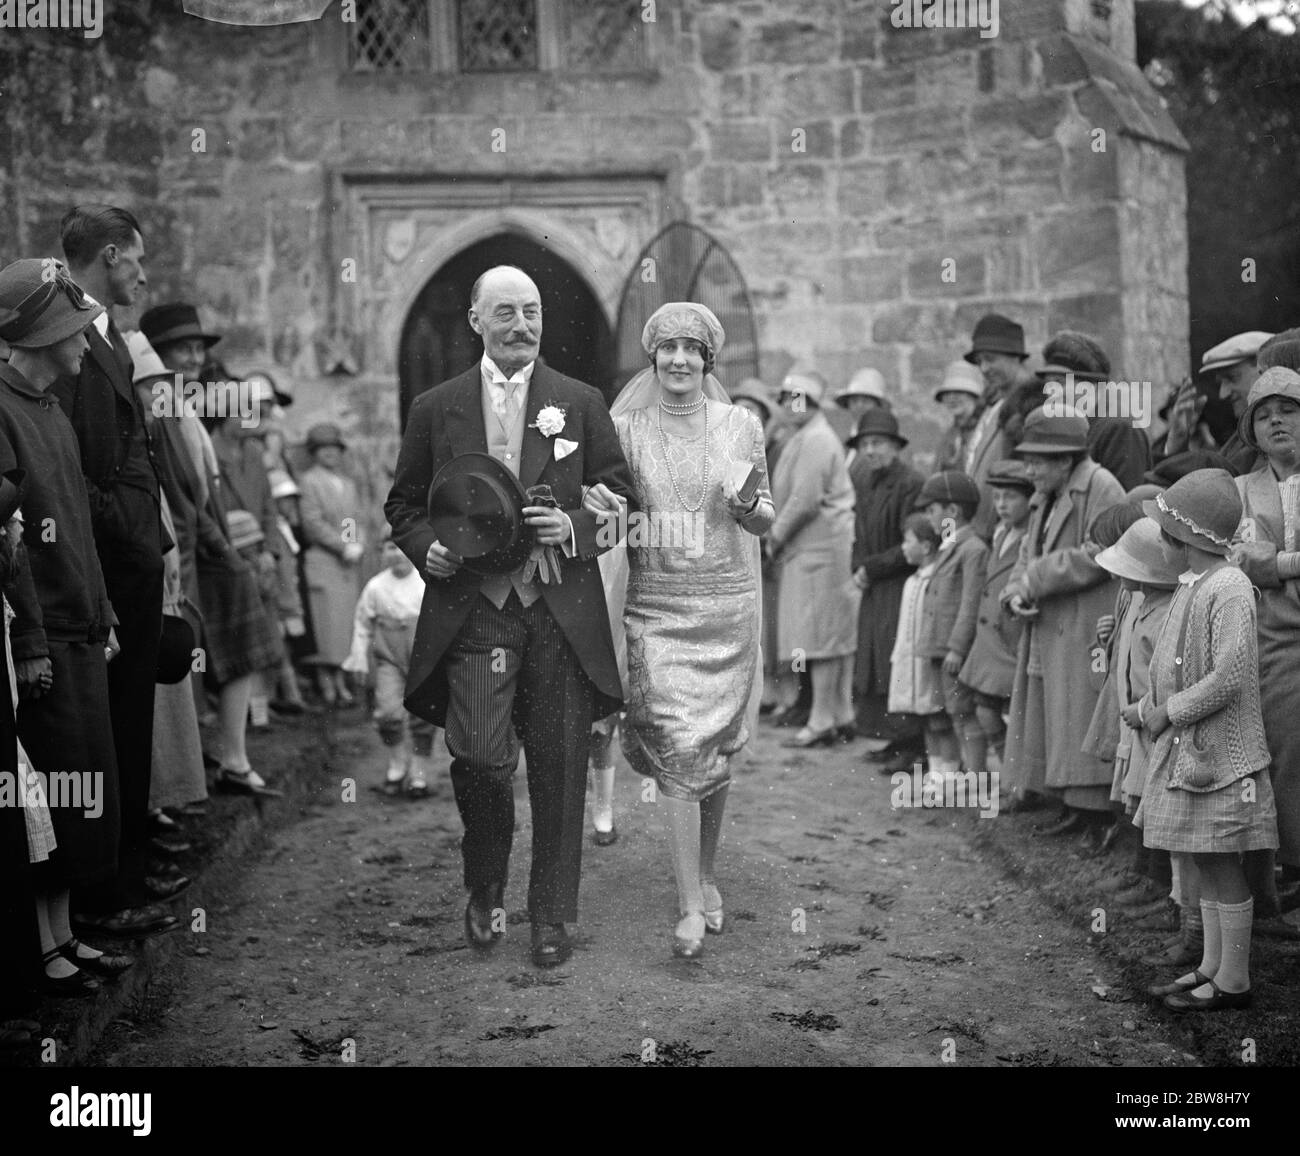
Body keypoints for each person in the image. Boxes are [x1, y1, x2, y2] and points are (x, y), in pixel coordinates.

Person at [385, 264, 637, 969]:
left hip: (557, 612)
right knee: (482, 761)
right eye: (505, 313)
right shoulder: (436, 407)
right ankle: (486, 884)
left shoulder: (579, 401)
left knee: (558, 768)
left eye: (531, 312)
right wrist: (426, 548)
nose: (521, 325)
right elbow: (402, 504)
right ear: (475, 321)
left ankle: (552, 917)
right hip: (477, 610)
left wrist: (577, 528)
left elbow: (620, 496)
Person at [0, 258, 181, 942]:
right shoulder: (5, 410)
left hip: (83, 631)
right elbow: (13, 548)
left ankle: (71, 939)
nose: (84, 342)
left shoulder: (53, 412)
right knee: (55, 797)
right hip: (47, 644)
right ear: (42, 338)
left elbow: (75, 524)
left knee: (90, 795)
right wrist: (32, 645)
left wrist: (102, 612)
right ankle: (52, 950)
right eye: (72, 332)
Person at [585, 302, 772, 958]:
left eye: (693, 348)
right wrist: (600, 504)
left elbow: (764, 517)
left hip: (727, 607)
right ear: (653, 357)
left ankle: (708, 876)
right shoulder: (624, 428)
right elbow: (608, 513)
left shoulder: (740, 425)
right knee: (679, 750)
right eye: (668, 348)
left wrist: (747, 505)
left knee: (715, 749)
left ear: (709, 360)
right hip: (658, 610)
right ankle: (690, 903)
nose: (680, 359)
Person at [53, 206, 173, 933]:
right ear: (105, 255)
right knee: (100, 725)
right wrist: (125, 527)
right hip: (102, 564)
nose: (142, 273)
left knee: (129, 718)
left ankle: (129, 860)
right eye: (134, 260)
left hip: (131, 557)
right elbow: (68, 461)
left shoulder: (112, 338)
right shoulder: (66, 335)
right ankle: (102, 889)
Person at [1125, 470, 1277, 1012]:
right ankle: (1212, 967)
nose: (1163, 543)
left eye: (1169, 534)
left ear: (1191, 539)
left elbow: (1230, 675)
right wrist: (1147, 708)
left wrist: (1169, 712)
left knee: (1222, 863)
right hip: (1197, 755)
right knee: (1206, 857)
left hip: (1226, 758)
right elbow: (1173, 669)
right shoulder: (1195, 585)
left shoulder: (1230, 588)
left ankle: (1234, 980)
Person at [1000, 407, 1126, 826]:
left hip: (1083, 622)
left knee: (1077, 712)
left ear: (1065, 459)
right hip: (1050, 622)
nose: (1029, 470)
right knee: (1052, 711)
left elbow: (1102, 552)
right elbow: (1025, 554)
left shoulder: (1101, 486)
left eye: (1036, 461)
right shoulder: (1045, 495)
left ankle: (1091, 813)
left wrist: (1035, 578)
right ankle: (1066, 802)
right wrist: (1016, 590)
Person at [1230, 367, 1300, 922]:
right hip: (1271, 640)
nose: (1276, 419)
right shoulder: (1240, 491)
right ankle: (1287, 876)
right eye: (1263, 412)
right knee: (1281, 756)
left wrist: (1273, 563)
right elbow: (1238, 560)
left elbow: (1260, 562)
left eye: (1290, 408)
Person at [767, 371, 858, 749]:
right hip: (812, 551)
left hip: (819, 551)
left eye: (800, 397)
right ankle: (837, 714)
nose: (792, 404)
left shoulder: (817, 439)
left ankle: (824, 717)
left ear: (815, 403)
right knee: (821, 636)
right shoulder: (804, 437)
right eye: (787, 397)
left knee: (819, 638)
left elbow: (804, 500)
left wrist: (773, 536)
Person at [849, 408, 925, 767]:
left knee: (898, 658)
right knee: (875, 659)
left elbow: (909, 543)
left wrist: (872, 568)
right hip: (875, 584)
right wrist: (858, 567)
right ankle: (892, 738)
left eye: (877, 443)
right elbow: (860, 532)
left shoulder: (910, 483)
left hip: (898, 582)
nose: (870, 451)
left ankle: (912, 743)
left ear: (895, 446)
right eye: (864, 444)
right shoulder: (867, 481)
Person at [341, 531, 437, 798]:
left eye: (404, 548)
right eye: (391, 549)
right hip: (390, 660)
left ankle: (419, 772)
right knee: (387, 712)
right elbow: (362, 625)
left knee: (423, 715)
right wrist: (358, 656)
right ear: (382, 552)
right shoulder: (375, 587)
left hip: (422, 659)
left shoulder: (425, 581)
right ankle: (397, 761)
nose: (398, 555)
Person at [957, 460, 1033, 772]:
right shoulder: (1001, 533)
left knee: (1009, 713)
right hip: (988, 642)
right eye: (997, 497)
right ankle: (1005, 773)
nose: (1001, 505)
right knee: (984, 710)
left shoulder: (1031, 537)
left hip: (1010, 639)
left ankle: (1013, 777)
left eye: (1010, 497)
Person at [917, 471, 988, 781]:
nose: (928, 517)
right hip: (938, 648)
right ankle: (959, 773)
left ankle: (974, 775)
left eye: (932, 510)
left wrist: (958, 648)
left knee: (963, 713)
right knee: (950, 713)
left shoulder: (972, 550)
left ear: (954, 512)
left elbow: (970, 603)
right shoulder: (950, 547)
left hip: (952, 650)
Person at [299, 423, 364, 707]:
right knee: (325, 625)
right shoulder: (309, 481)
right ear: (314, 453)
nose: (330, 454)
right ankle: (327, 684)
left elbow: (352, 519)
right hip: (323, 560)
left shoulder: (347, 484)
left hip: (344, 565)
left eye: (334, 449)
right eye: (323, 449)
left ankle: (341, 683)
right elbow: (312, 522)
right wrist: (341, 545)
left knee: (342, 626)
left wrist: (354, 542)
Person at [1159, 331, 1271, 472]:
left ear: (1264, 371)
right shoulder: (1243, 437)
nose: (1223, 394)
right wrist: (1177, 438)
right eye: (1221, 383)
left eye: (1232, 378)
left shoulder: (1274, 439)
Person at [963, 314, 1032, 539]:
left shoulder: (1029, 408)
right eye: (980, 361)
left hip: (1007, 536)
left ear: (1015, 357)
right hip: (981, 535)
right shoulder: (992, 407)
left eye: (991, 359)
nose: (984, 368)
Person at [887, 514, 944, 773]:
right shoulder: (912, 581)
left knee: (934, 713)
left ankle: (942, 767)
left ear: (926, 546)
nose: (903, 546)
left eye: (908, 541)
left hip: (927, 658)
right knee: (915, 709)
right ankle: (928, 763)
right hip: (908, 657)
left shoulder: (935, 580)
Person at [933, 362, 985, 472]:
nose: (952, 398)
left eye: (958, 392)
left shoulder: (985, 429)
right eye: (947, 393)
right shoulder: (949, 436)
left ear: (973, 395)